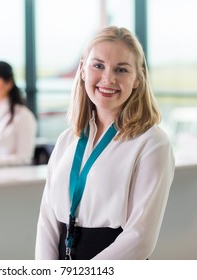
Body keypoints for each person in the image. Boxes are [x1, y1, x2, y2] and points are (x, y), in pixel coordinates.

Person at [35, 26, 175, 260]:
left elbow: (140, 237)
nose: (108, 78)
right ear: (82, 70)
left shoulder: (152, 143)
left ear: (138, 79)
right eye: (98, 65)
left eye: (121, 69)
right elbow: (47, 219)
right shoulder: (67, 139)